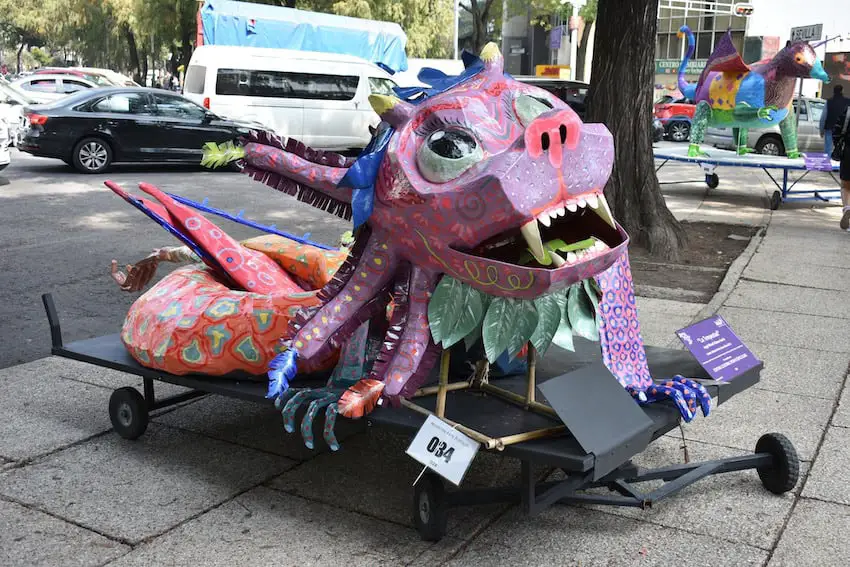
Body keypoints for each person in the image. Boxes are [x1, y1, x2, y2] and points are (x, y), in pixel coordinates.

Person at [820, 84, 849, 157]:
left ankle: (827, 164)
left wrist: (821, 130)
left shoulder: (829, 102)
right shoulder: (848, 102)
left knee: (828, 148)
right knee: (842, 148)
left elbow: (823, 117)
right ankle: (840, 165)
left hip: (829, 127)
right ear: (842, 91)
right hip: (843, 129)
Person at [833, 106, 850, 230]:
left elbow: (837, 130)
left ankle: (847, 209)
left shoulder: (848, 110)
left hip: (848, 153)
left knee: (845, 185)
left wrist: (838, 145)